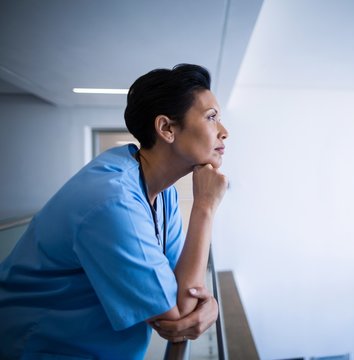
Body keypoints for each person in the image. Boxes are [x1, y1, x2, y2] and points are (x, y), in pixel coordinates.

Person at [0, 64, 229, 359]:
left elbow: (182, 287)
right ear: (167, 128)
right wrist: (205, 207)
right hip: (38, 348)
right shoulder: (113, 200)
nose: (224, 132)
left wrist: (209, 303)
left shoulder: (163, 192)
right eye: (212, 118)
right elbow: (175, 314)